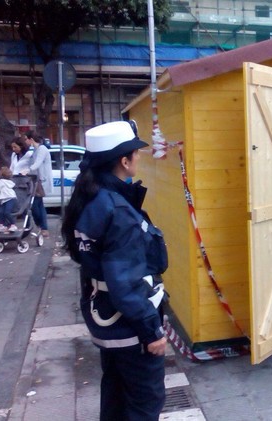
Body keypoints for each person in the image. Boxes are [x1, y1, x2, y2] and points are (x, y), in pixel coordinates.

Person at [61, 121, 168, 421]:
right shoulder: (117, 209)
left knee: (116, 396)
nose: (139, 157)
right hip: (130, 326)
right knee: (144, 404)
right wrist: (152, 332)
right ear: (124, 161)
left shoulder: (90, 199)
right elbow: (127, 281)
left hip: (106, 320)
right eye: (136, 152)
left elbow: (87, 259)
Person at [24, 134, 51, 238]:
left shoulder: (42, 149)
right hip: (36, 180)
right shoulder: (35, 150)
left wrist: (28, 170)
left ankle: (42, 226)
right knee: (38, 204)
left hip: (41, 180)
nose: (25, 141)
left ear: (31, 139)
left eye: (26, 139)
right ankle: (43, 227)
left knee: (36, 204)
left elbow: (38, 163)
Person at [0, 166, 18, 233]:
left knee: (4, 212)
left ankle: (12, 224)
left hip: (8, 198)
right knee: (1, 212)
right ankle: (2, 225)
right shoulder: (9, 182)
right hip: (7, 198)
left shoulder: (1, 182)